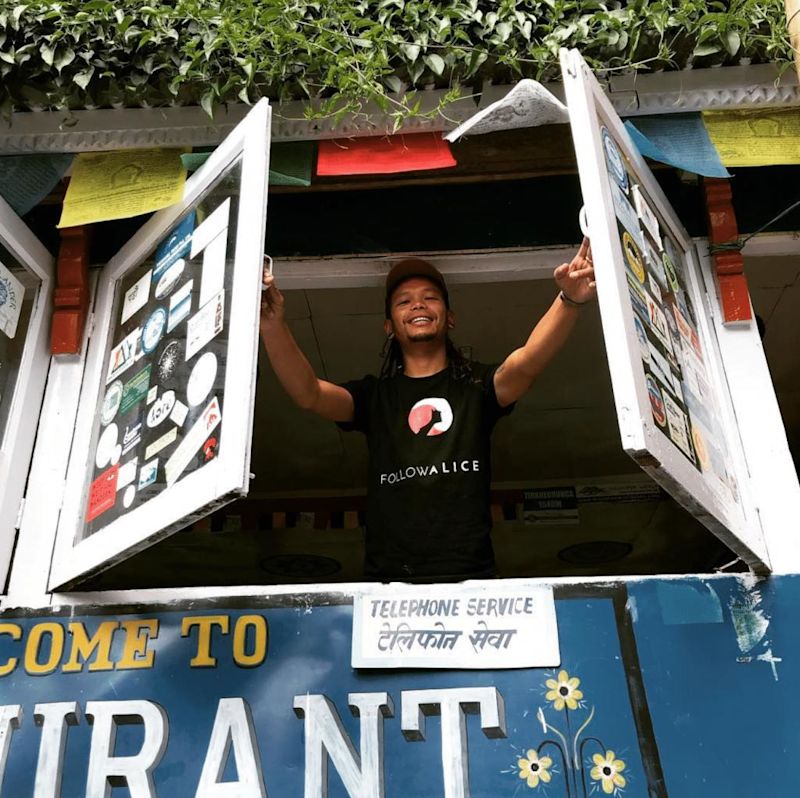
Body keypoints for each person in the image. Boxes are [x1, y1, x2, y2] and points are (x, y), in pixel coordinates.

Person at [260, 239, 596, 581]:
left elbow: (527, 363)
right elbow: (309, 394)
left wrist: (569, 299)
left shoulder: (476, 386)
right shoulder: (374, 398)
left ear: (449, 318)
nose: (418, 304)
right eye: (404, 301)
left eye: (430, 297)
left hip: (473, 581)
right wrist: (273, 326)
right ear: (389, 326)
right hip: (390, 586)